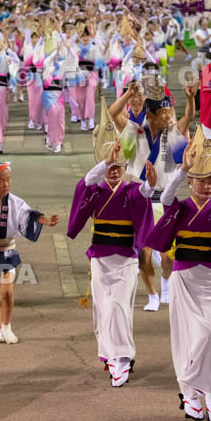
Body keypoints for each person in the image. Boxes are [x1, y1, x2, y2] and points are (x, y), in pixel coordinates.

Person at [143, 127, 211, 421]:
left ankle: (209, 392)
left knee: (209, 335)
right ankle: (190, 394)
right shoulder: (180, 208)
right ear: (191, 182)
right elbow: (167, 196)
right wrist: (182, 169)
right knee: (186, 337)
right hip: (183, 278)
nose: (209, 186)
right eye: (203, 180)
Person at [66, 137, 154, 386]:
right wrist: (105, 162)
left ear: (125, 168)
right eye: (110, 167)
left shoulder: (131, 189)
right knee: (104, 308)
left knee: (118, 306)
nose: (114, 172)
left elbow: (144, 194)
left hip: (125, 259)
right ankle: (110, 356)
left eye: (119, 167)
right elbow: (85, 183)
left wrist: (150, 184)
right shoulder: (96, 190)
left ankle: (123, 358)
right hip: (100, 258)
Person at [109, 81, 195, 310]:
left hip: (165, 199)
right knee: (143, 253)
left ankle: (166, 287)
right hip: (141, 199)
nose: (169, 116)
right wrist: (128, 94)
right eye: (164, 112)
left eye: (170, 111)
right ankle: (152, 296)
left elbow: (188, 118)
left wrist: (190, 98)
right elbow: (113, 113)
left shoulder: (172, 133)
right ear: (151, 114)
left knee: (168, 255)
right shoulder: (134, 131)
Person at [0, 161, 58, 344]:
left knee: (7, 293)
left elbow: (30, 215)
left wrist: (46, 221)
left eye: (8, 180)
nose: (6, 184)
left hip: (7, 252)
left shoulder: (16, 202)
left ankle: (7, 327)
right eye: (0, 181)